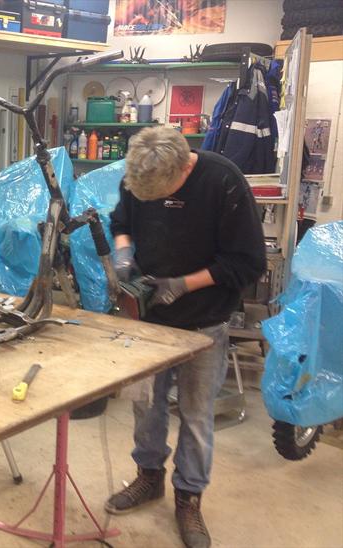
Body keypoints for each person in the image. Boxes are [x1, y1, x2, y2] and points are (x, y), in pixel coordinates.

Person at [106, 127, 266, 548]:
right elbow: (121, 221)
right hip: (149, 320)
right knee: (145, 405)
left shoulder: (224, 182)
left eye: (160, 196)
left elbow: (248, 263)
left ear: (182, 170)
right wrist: (123, 255)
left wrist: (182, 284)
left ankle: (189, 497)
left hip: (204, 322)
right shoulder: (141, 173)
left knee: (195, 416)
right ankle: (148, 476)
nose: (152, 202)